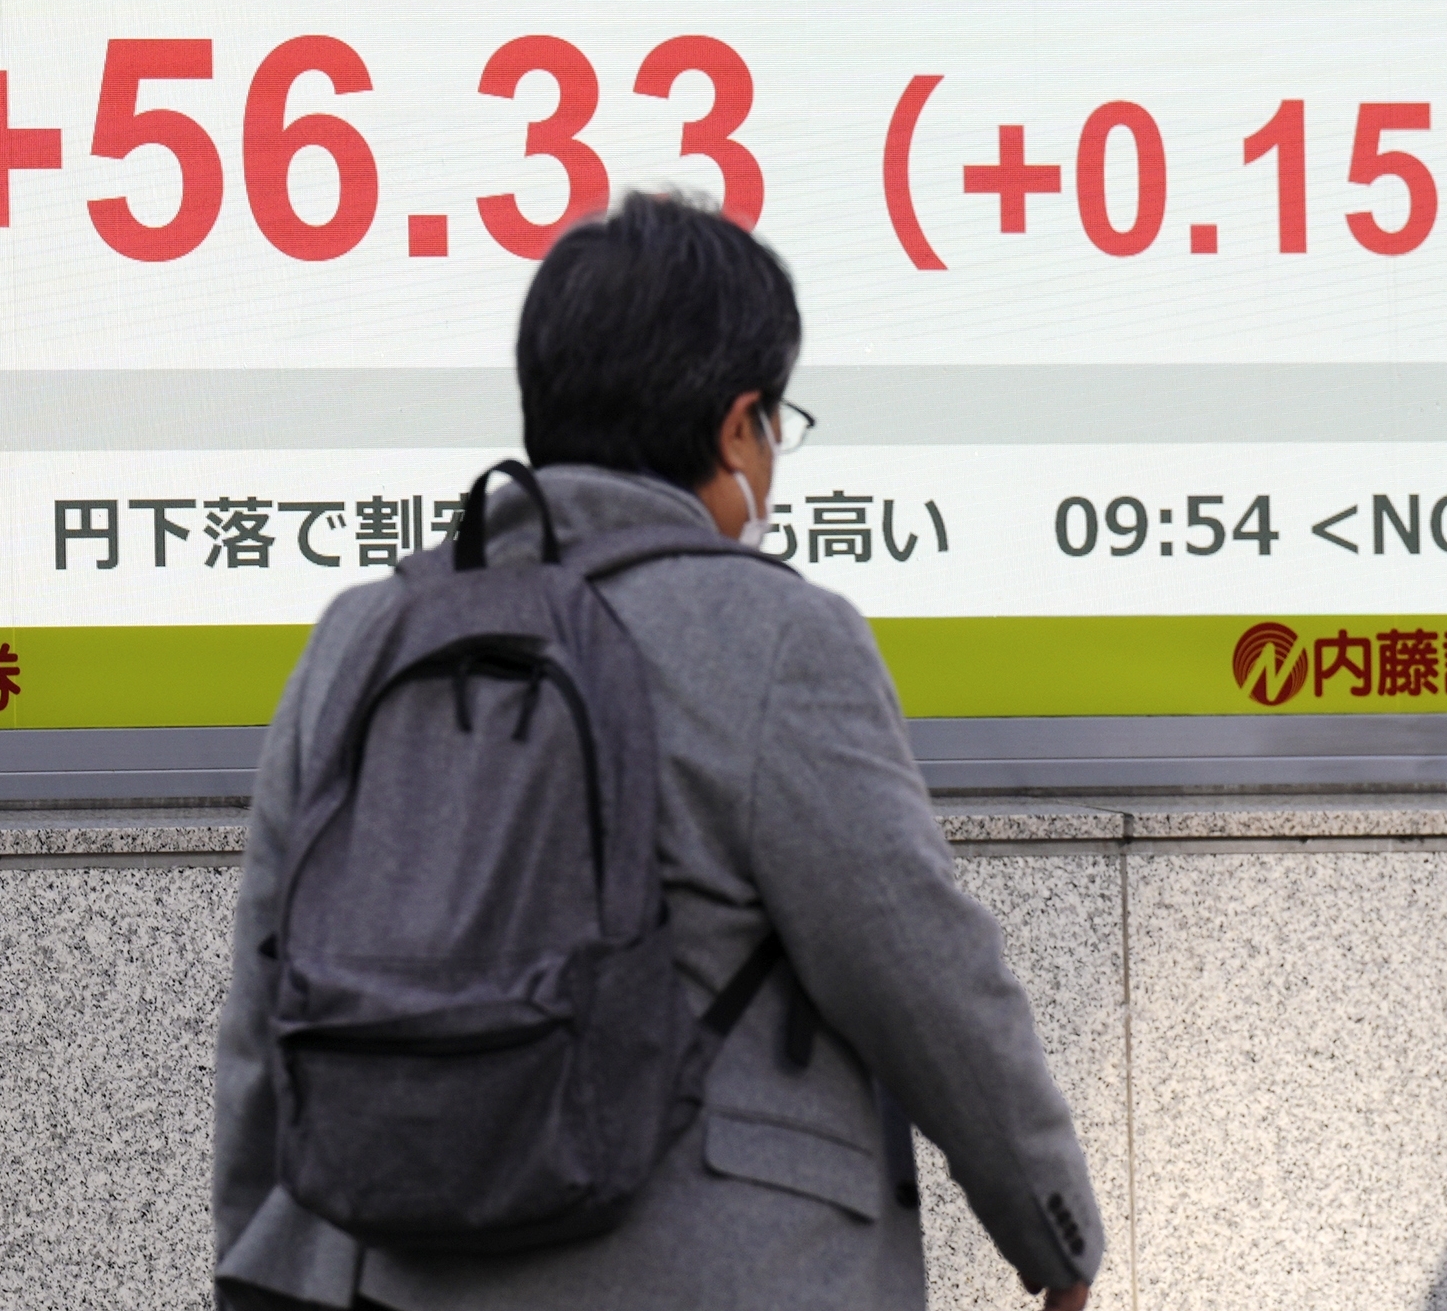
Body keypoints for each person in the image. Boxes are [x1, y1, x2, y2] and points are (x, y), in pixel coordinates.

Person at [213, 192, 1103, 1311]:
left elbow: (268, 991)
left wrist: (257, 1258)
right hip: (726, 1270)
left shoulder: (367, 630)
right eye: (775, 425)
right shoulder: (772, 633)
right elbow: (915, 960)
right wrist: (1050, 1223)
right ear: (737, 425)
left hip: (400, 1270)